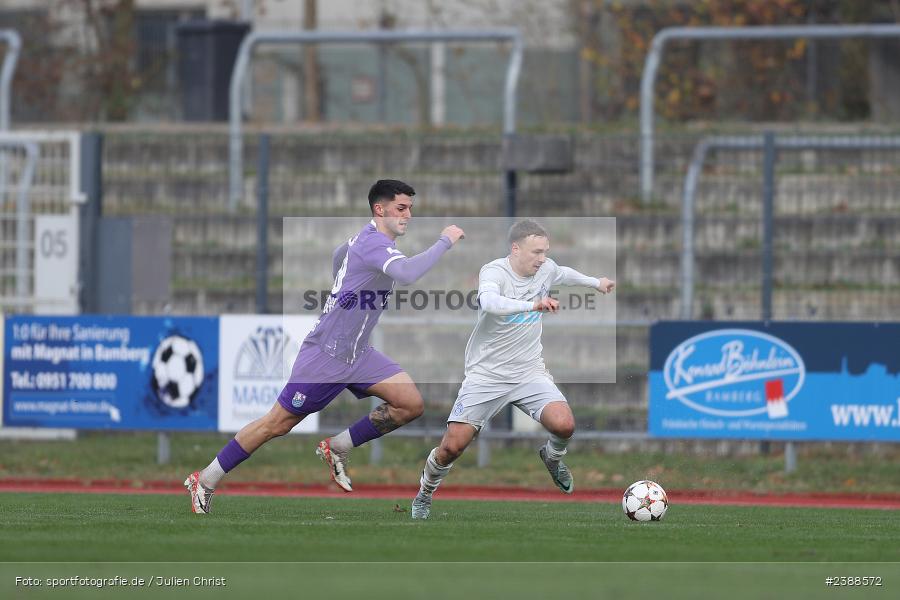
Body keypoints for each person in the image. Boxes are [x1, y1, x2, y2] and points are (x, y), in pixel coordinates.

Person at [185, 179, 465, 514]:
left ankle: (338, 447)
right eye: (401, 208)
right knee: (277, 423)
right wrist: (444, 241)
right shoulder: (374, 244)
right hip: (326, 355)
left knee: (409, 403)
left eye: (410, 209)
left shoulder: (365, 241)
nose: (408, 215)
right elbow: (405, 274)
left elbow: (339, 255)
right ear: (380, 209)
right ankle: (205, 479)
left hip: (359, 354)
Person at [410, 219, 615, 519]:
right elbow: (490, 302)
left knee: (564, 425)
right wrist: (533, 305)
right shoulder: (494, 271)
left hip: (529, 372)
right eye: (536, 252)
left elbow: (564, 273)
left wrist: (596, 282)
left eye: (545, 251)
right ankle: (424, 494)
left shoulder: (546, 268)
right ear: (515, 248)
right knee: (452, 447)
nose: (542, 258)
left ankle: (553, 457)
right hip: (486, 376)